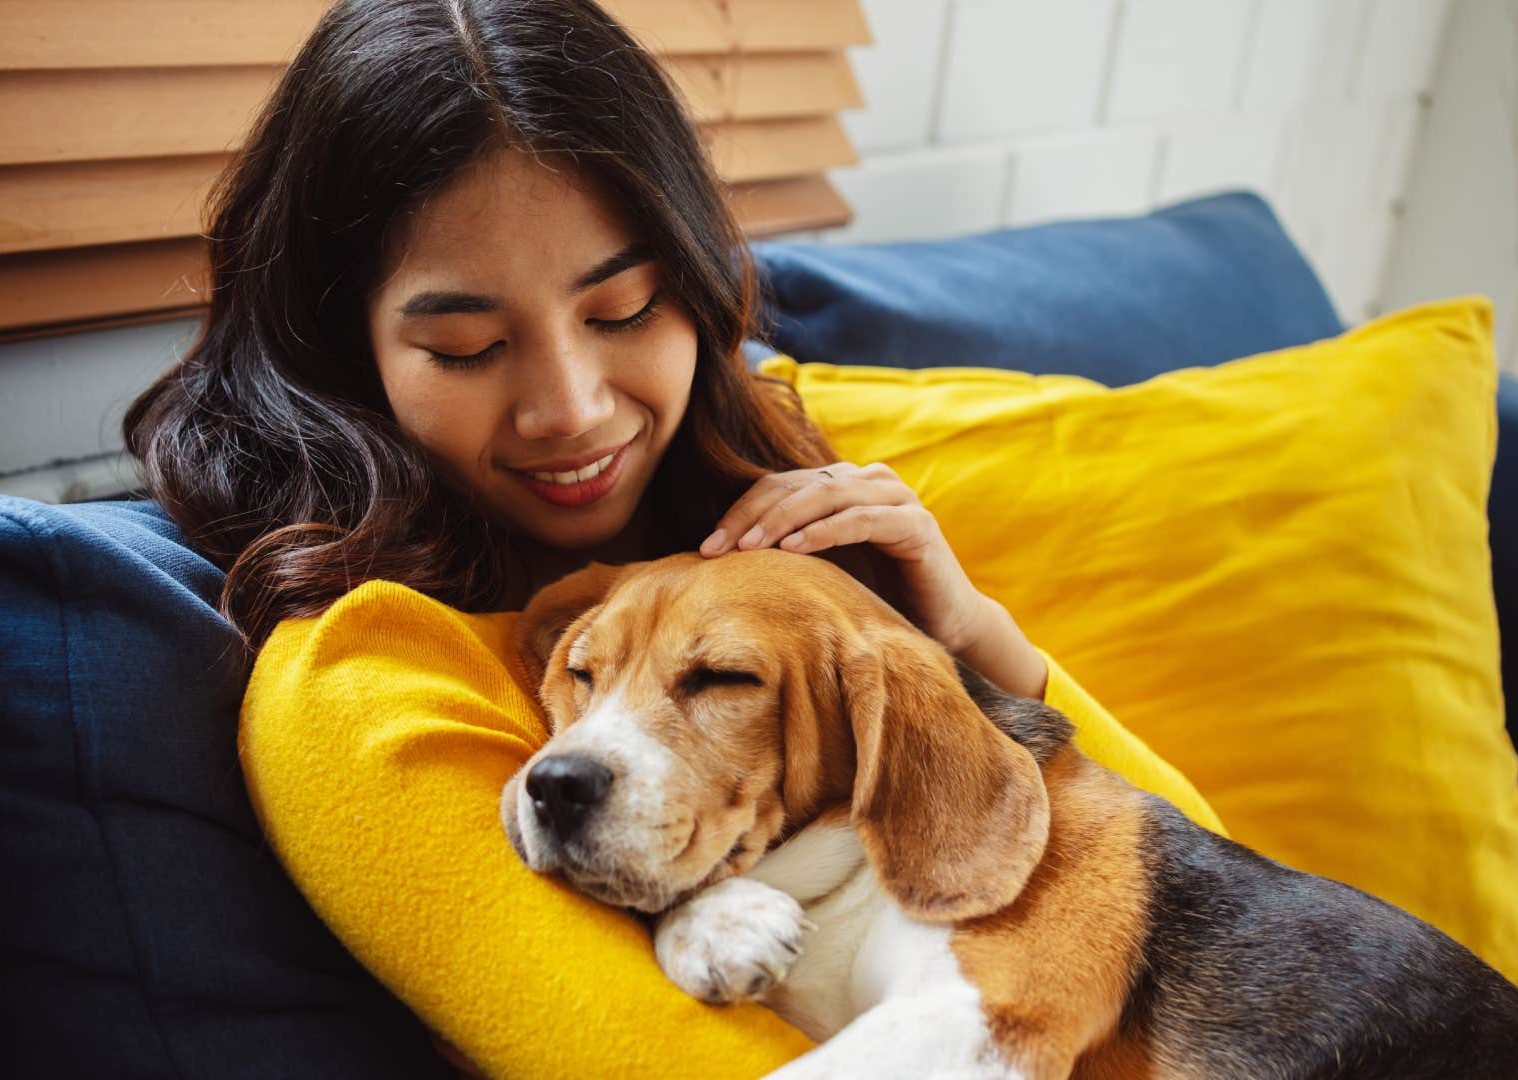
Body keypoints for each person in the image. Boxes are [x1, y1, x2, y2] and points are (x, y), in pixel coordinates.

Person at [123, 1, 1213, 1075]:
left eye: (623, 310)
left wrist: (971, 635)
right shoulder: (362, 674)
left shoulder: (810, 525)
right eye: (466, 346)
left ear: (695, 287)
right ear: (346, 352)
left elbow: (1210, 904)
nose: (572, 408)